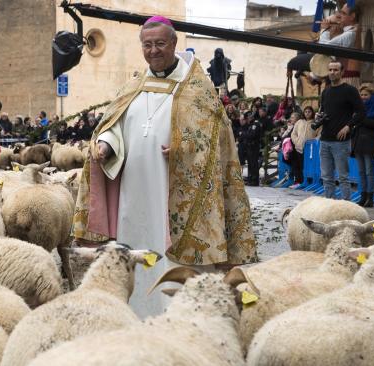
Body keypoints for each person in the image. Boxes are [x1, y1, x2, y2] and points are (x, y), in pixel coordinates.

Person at [74, 16, 257, 319]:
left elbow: (216, 139)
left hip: (176, 189)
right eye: (147, 45)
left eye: (160, 43)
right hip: (133, 191)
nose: (154, 50)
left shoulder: (196, 88)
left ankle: (178, 312)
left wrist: (188, 149)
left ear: (174, 43)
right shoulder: (134, 84)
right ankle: (135, 310)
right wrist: (106, 144)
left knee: (170, 251)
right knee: (134, 244)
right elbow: (114, 124)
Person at [318, 60, 365, 200]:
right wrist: (319, 115)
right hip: (325, 139)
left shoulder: (349, 90)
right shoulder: (325, 91)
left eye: (335, 70)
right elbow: (323, 111)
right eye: (330, 69)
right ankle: (330, 206)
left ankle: (346, 208)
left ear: (342, 72)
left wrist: (348, 126)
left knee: (343, 177)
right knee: (326, 177)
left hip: (341, 142)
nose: (332, 72)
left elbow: (361, 112)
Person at [351, 84, 374, 207]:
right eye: (361, 95)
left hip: (370, 142)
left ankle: (370, 197)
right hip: (358, 142)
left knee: (369, 171)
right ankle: (363, 196)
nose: (363, 97)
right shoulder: (359, 107)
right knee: (361, 172)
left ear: (371, 95)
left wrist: (361, 120)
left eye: (366, 95)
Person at [289, 106, 320, 189]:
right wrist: (296, 141)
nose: (307, 113)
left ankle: (309, 182)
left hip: (311, 149)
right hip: (299, 147)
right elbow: (293, 133)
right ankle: (300, 181)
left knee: (309, 166)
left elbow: (319, 134)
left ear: (312, 113)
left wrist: (313, 141)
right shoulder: (299, 122)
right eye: (305, 112)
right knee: (299, 165)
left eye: (309, 112)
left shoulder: (316, 122)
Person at [241, 110, 262, 186]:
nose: (249, 118)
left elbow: (251, 135)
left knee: (253, 163)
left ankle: (254, 180)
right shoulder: (250, 124)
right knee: (250, 163)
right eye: (248, 118)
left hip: (254, 146)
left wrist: (243, 134)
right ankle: (250, 178)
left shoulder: (255, 124)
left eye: (250, 117)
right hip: (249, 146)